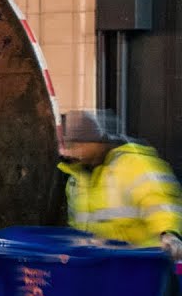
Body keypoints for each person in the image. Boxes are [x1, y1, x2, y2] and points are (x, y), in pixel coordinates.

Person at [59, 109, 182, 261]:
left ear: (94, 141)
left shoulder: (133, 164)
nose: (71, 152)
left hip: (144, 264)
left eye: (75, 145)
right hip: (104, 266)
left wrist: (168, 233)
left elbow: (159, 201)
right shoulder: (77, 178)